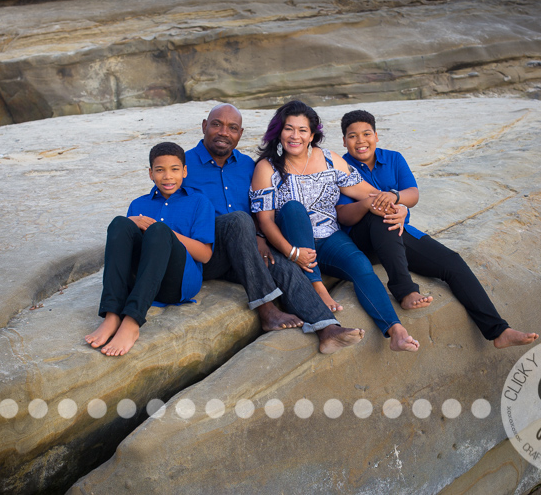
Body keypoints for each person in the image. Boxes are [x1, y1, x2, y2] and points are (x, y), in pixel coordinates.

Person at [336, 109, 539, 349]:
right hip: (362, 240)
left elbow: (413, 194)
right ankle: (405, 291)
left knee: (451, 262)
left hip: (396, 233)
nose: (361, 141)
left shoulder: (393, 158)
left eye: (366, 133)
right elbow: (344, 217)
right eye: (352, 136)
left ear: (377, 136)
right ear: (344, 141)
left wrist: (396, 199)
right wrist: (371, 205)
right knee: (381, 218)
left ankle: (498, 330)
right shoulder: (341, 167)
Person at [184, 103, 364, 354]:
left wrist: (258, 237)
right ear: (204, 126)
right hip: (207, 254)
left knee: (284, 265)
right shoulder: (182, 165)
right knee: (238, 220)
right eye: (216, 124)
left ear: (240, 133)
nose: (224, 132)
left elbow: (259, 211)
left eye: (232, 128)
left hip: (244, 252)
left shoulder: (248, 165)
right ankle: (267, 310)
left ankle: (327, 329)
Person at [251, 100, 420, 352]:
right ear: (279, 132)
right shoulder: (267, 167)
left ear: (312, 135)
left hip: (329, 238)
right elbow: (264, 220)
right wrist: (291, 252)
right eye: (289, 129)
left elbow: (369, 193)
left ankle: (395, 330)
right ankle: (317, 287)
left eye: (302, 130)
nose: (295, 136)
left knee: (361, 266)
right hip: (291, 242)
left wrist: (398, 204)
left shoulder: (330, 160)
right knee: (294, 209)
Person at [85, 142, 215, 356]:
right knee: (119, 223)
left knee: (160, 230)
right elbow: (125, 251)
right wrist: (132, 223)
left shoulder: (199, 202)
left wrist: (168, 233)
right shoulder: (139, 204)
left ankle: (132, 321)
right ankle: (112, 315)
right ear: (150, 173)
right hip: (142, 281)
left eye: (174, 169)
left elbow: (205, 254)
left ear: (184, 171)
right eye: (160, 170)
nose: (167, 176)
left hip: (177, 283)